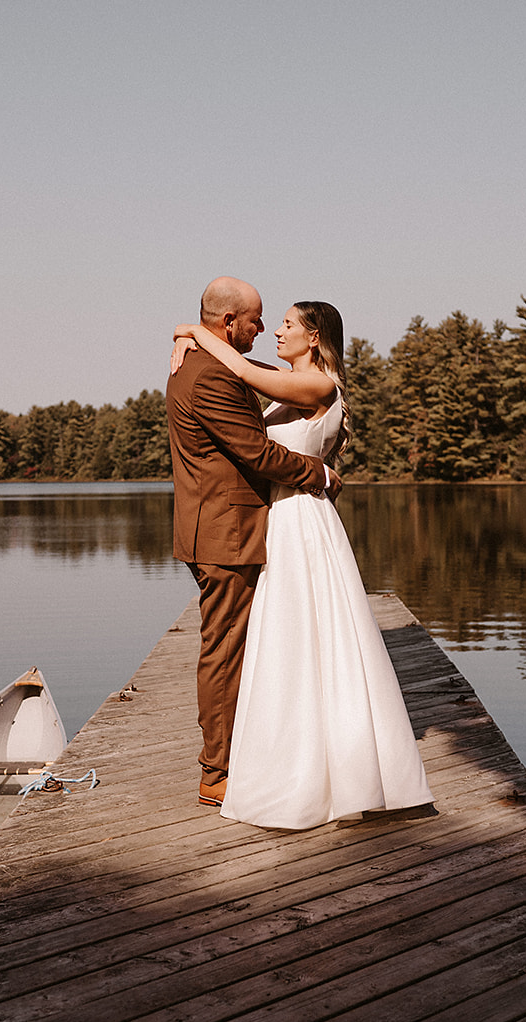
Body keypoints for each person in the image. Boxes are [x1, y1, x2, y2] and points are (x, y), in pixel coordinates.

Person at [172, 301, 434, 829]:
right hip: (276, 520)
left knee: (314, 634)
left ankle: (319, 763)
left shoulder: (319, 385)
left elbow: (241, 370)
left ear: (314, 338)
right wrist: (190, 332)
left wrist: (193, 334)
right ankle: (282, 750)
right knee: (284, 638)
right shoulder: (285, 379)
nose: (276, 331)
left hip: (301, 518)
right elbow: (244, 373)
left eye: (288, 324)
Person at [167, 277, 331, 808]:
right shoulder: (211, 374)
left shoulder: (200, 362)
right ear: (229, 322)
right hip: (226, 531)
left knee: (234, 644)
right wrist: (321, 476)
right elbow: (256, 453)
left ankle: (247, 752)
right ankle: (216, 771)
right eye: (256, 320)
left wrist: (186, 330)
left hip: (218, 527)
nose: (262, 329)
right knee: (224, 651)